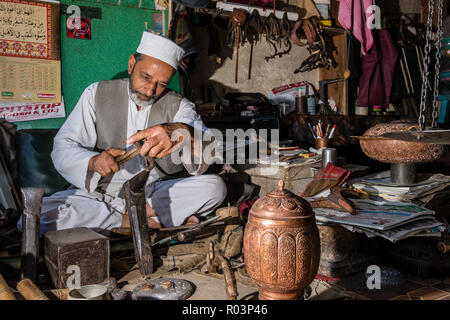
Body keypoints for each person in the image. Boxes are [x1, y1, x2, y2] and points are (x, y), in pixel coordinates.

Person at [18, 31, 226, 235]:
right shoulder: (97, 93)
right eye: (145, 77)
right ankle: (131, 221)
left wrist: (181, 130)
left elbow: (210, 148)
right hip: (94, 195)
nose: (149, 90)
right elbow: (63, 147)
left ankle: (130, 219)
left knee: (215, 188)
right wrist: (92, 161)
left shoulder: (179, 106)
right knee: (33, 219)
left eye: (161, 84)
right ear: (131, 64)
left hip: (149, 193)